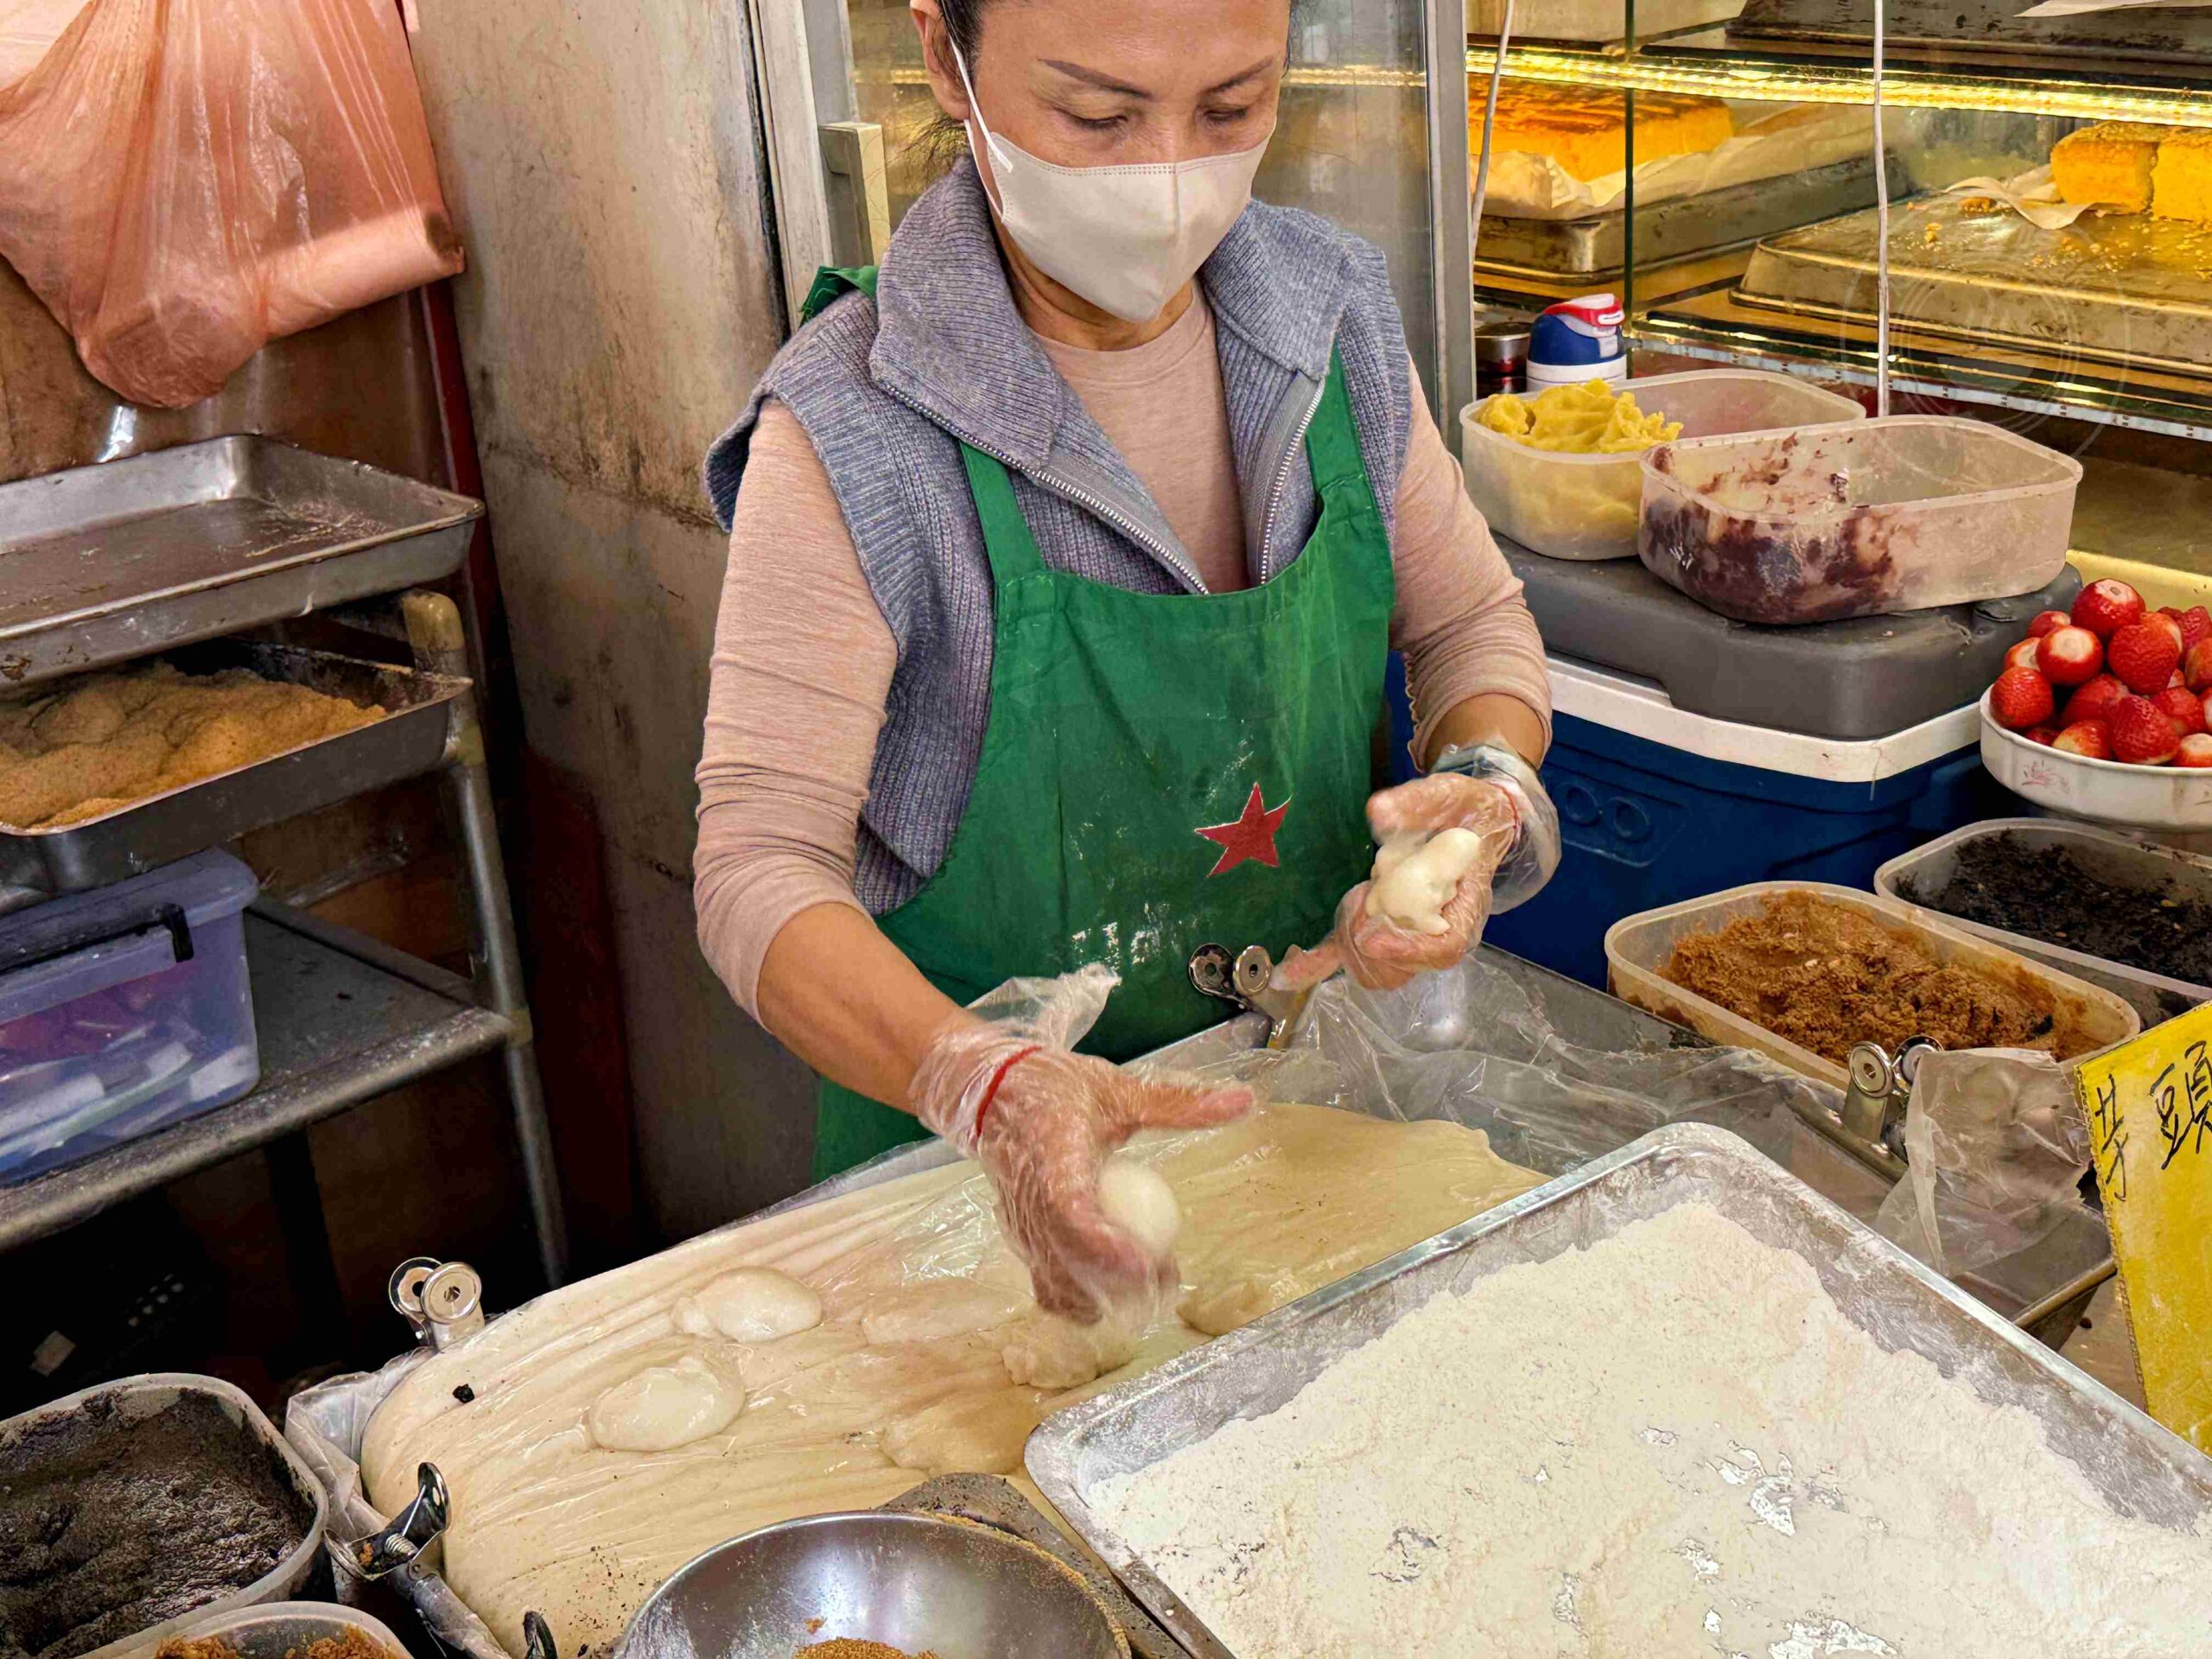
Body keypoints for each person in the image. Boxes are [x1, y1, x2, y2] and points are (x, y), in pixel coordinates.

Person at [696, 0, 1557, 1320]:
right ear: (946, 60)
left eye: (1233, 108)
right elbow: (757, 869)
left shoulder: (1328, 329)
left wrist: (1480, 787)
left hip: (1319, 1133)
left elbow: (1468, 630)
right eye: (1097, 115)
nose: (1169, 177)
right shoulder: (857, 429)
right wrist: (982, 1082)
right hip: (981, 1231)